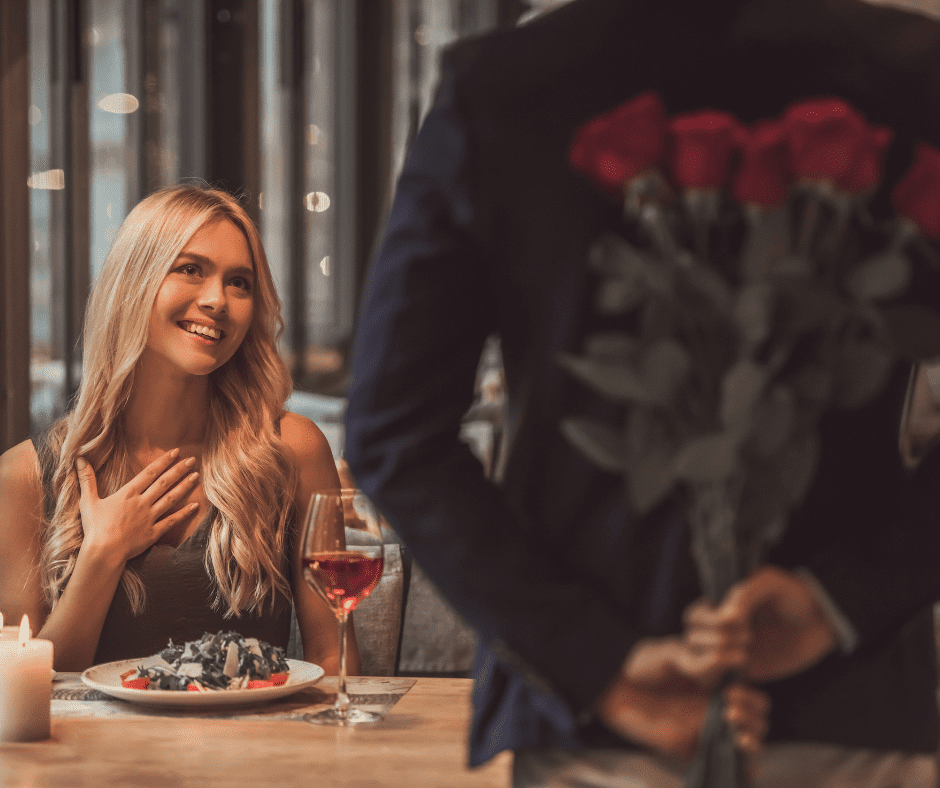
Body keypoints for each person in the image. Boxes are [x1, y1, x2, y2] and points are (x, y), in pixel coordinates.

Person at [344, 0, 940, 785]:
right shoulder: (915, 70)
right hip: (850, 712)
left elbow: (393, 438)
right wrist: (837, 601)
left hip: (603, 731)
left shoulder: (502, 87)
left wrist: (603, 666)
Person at [0, 185, 349, 674]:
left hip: (262, 747)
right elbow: (30, 686)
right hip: (98, 752)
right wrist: (103, 553)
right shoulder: (22, 476)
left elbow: (334, 658)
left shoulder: (294, 449)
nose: (217, 301)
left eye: (240, 283)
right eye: (190, 269)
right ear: (133, 282)